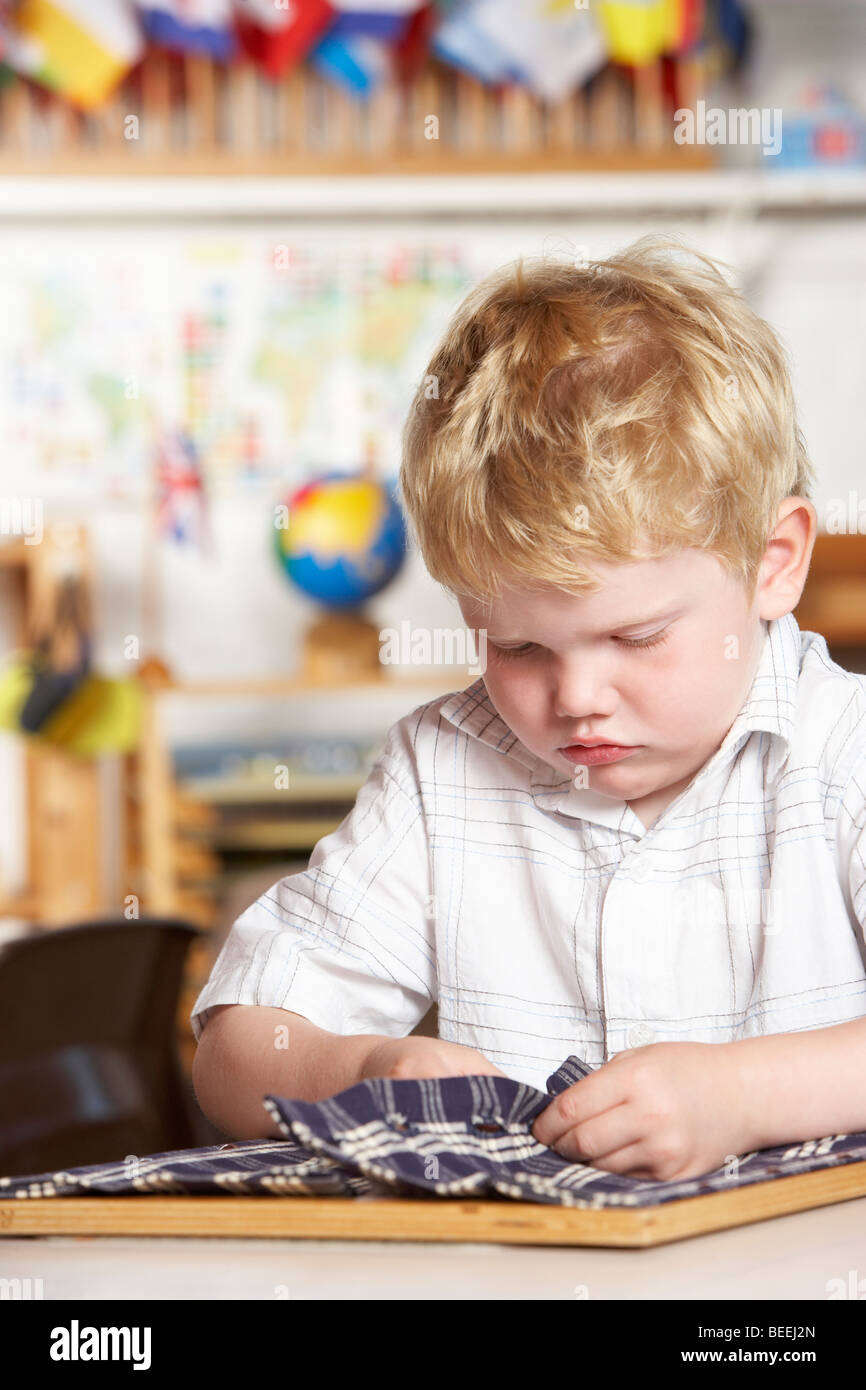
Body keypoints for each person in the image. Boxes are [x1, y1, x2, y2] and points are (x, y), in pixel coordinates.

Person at [191, 234, 866, 1182]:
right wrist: (357, 1070)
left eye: (636, 638)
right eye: (517, 648)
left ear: (774, 563)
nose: (578, 700)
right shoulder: (442, 771)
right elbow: (232, 1051)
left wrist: (744, 1095)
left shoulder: (846, 754)